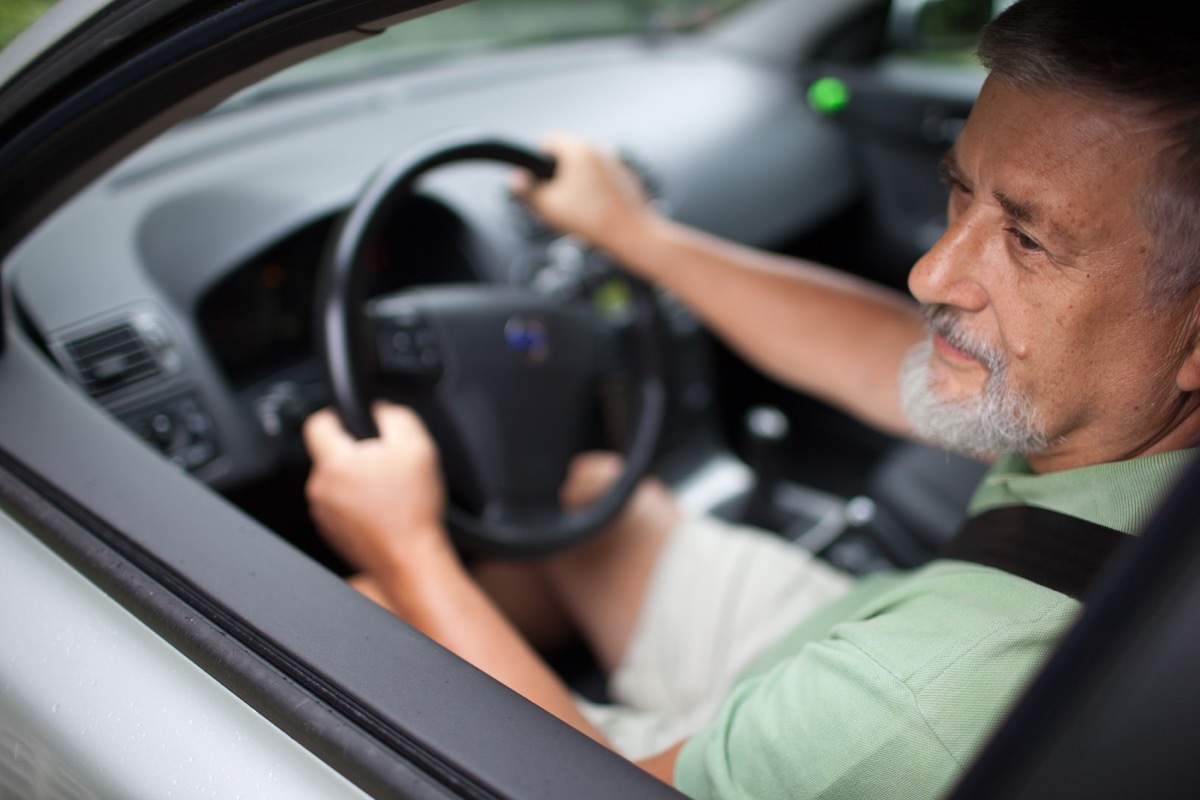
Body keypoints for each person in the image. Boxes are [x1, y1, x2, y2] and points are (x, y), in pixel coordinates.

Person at [302, 1, 1200, 796]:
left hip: (779, 734)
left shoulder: (914, 705)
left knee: (362, 618)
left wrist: (410, 547)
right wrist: (635, 234)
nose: (931, 273)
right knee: (591, 498)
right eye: (959, 192)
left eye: (1029, 244)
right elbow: (879, 357)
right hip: (849, 637)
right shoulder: (1121, 420)